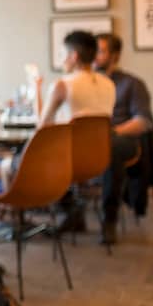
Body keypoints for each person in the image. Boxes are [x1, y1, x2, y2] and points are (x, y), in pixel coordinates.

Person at [36, 30, 116, 241]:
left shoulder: (63, 85)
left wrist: (36, 89)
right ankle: (73, 215)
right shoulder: (109, 84)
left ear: (74, 56)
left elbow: (42, 127)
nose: (62, 59)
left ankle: (17, 217)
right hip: (99, 161)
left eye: (63, 53)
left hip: (67, 161)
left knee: (12, 163)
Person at [94, 33, 153, 224]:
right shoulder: (86, 85)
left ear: (115, 55)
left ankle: (110, 218)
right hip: (90, 139)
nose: (94, 56)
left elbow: (143, 121)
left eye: (100, 51)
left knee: (110, 147)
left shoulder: (132, 84)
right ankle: (69, 212)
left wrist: (113, 131)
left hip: (122, 139)